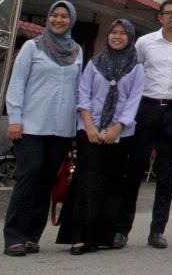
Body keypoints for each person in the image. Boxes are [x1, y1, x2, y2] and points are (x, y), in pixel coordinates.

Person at [2, 1, 83, 257]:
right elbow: (17, 83)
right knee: (29, 176)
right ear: (48, 18)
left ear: (72, 21)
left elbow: (78, 90)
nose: (58, 20)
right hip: (31, 127)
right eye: (54, 15)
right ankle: (14, 235)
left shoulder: (77, 51)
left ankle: (31, 236)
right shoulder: (32, 47)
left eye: (64, 16)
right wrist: (15, 117)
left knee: (47, 181)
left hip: (61, 130)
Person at [57, 19, 145, 254]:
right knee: (87, 184)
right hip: (91, 132)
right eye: (113, 32)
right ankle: (78, 237)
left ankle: (100, 237)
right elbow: (83, 95)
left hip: (120, 135)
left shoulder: (136, 68)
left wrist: (118, 127)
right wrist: (89, 127)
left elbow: (134, 101)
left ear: (130, 38)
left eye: (122, 33)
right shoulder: (94, 64)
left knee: (111, 185)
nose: (117, 36)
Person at [115, 0, 172, 250]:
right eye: (169, 13)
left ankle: (157, 230)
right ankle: (121, 229)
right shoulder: (144, 43)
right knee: (134, 170)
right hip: (146, 107)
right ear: (159, 17)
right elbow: (132, 75)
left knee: (166, 173)